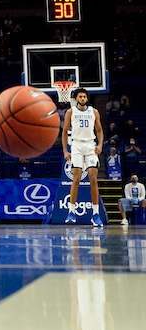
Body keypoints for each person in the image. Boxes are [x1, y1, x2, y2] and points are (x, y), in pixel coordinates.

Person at [62, 89, 104, 227]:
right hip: (77, 146)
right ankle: (71, 212)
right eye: (80, 96)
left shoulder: (94, 111)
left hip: (90, 146)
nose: (82, 98)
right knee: (76, 179)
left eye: (84, 96)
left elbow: (99, 130)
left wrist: (100, 144)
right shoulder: (71, 112)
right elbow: (64, 132)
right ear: (76, 98)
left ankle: (96, 214)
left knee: (93, 178)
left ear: (87, 98)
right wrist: (65, 150)